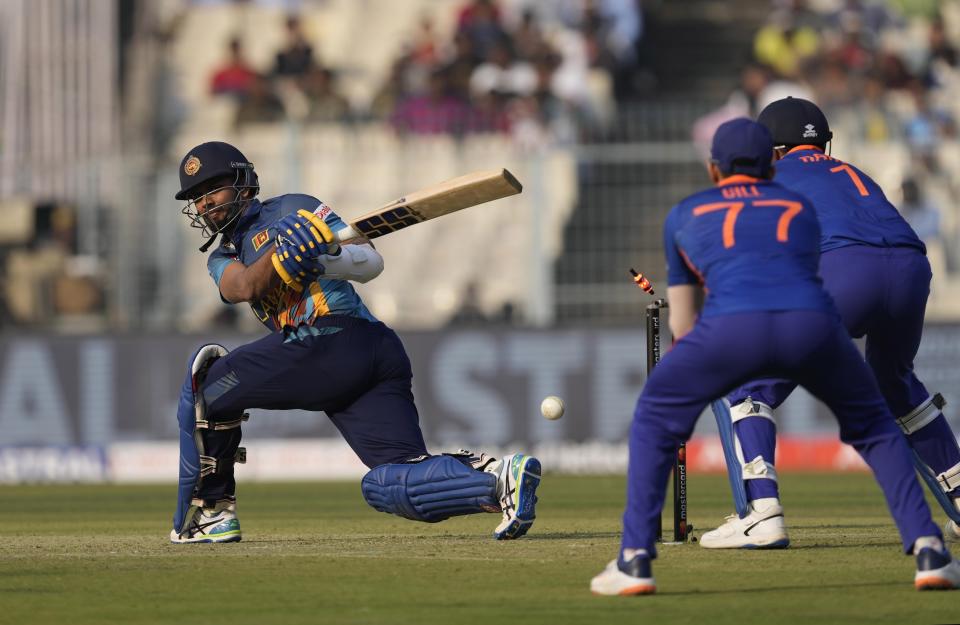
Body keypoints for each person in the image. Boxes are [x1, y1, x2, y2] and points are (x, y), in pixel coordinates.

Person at [589, 118, 960, 595]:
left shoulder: (688, 213)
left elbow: (688, 320)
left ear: (714, 167)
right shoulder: (824, 190)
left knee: (679, 407)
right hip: (897, 272)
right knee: (877, 410)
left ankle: (662, 549)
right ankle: (929, 547)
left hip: (755, 314)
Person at [168, 141, 541, 544]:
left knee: (208, 384)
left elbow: (370, 262)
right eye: (196, 198)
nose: (205, 205)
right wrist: (283, 257)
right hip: (356, 358)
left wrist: (326, 258)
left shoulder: (293, 206)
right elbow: (244, 286)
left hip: (335, 339)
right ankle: (496, 480)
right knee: (390, 483)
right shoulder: (221, 257)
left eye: (212, 191)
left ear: (242, 182)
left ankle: (214, 512)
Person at [701, 98, 960, 550]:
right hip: (910, 268)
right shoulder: (853, 172)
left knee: (747, 382)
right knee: (895, 383)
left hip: (844, 270)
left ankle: (760, 513)